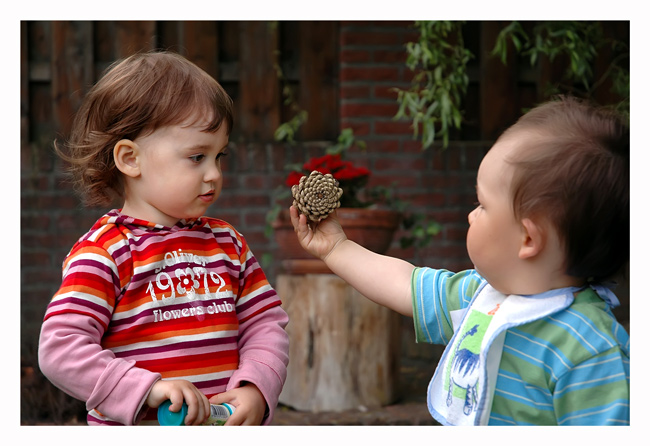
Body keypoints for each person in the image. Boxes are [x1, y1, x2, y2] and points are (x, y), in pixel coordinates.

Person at [290, 96, 629, 426]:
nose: (471, 215)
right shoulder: (479, 296)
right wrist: (337, 248)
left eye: (482, 204)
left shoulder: (592, 353)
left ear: (528, 239)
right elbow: (402, 283)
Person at [38, 51, 289, 426]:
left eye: (219, 156)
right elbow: (60, 349)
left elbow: (265, 324)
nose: (214, 173)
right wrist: (145, 389)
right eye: (196, 157)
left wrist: (256, 385)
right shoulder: (107, 252)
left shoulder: (229, 245)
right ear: (130, 158)